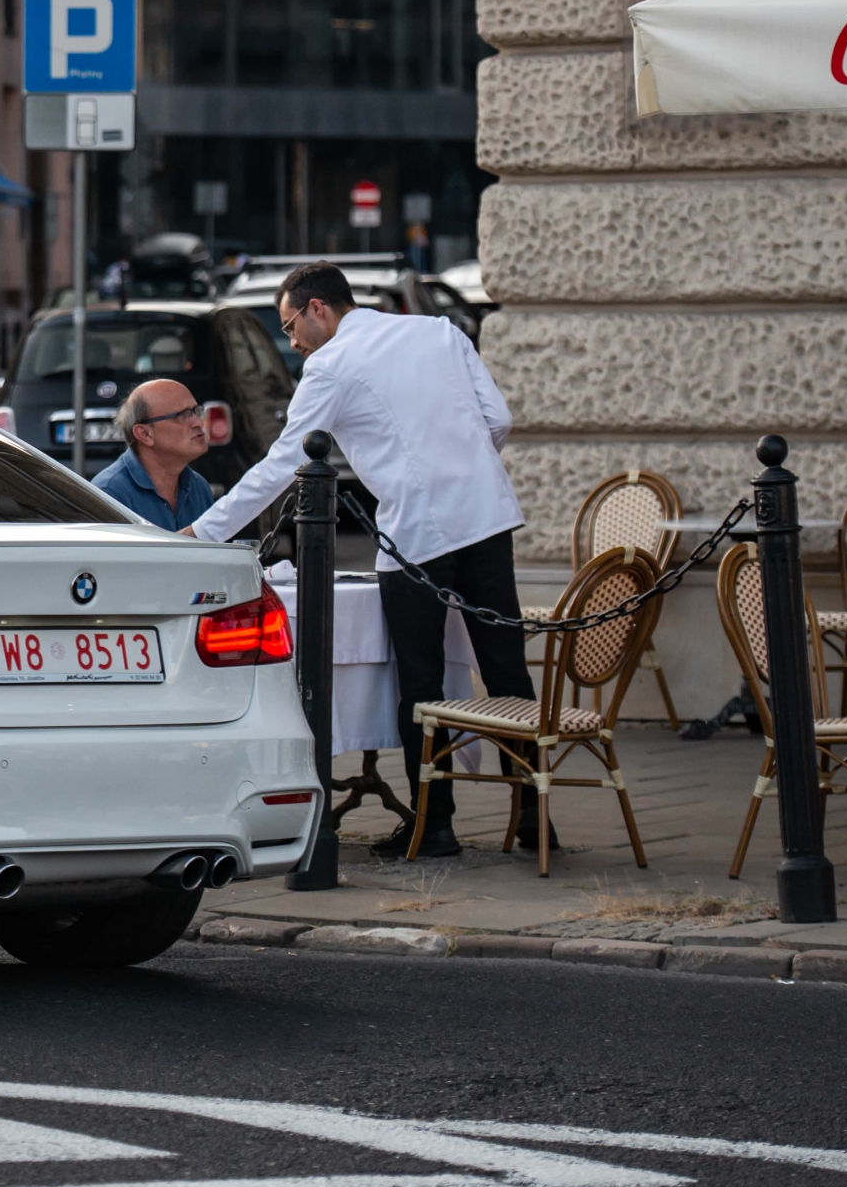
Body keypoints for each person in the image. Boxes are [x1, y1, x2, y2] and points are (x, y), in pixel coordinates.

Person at [188, 262, 536, 860]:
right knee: (507, 673)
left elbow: (281, 466)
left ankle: (437, 824)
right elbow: (498, 420)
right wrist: (462, 470)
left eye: (292, 325)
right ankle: (535, 820)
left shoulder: (331, 365)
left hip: (418, 535)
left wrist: (202, 532)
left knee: (421, 685)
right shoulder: (439, 331)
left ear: (319, 308)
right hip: (486, 516)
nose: (292, 342)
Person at [90, 379, 215, 533]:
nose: (199, 422)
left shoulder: (198, 486)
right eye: (182, 415)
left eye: (196, 412)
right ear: (145, 434)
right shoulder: (110, 493)